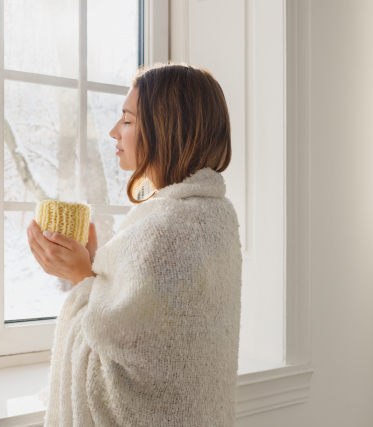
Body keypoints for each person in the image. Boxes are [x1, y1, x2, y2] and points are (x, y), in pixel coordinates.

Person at [26, 61, 242, 427]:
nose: (113, 132)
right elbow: (159, 336)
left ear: (166, 129)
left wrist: (81, 275)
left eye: (126, 120)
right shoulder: (214, 215)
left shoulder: (164, 228)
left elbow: (123, 372)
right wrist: (95, 267)